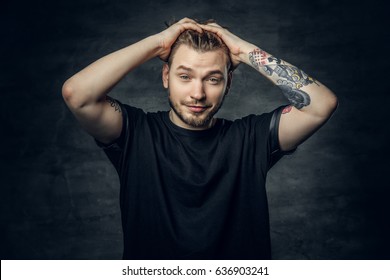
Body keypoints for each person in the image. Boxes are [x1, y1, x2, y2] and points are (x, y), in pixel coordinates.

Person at [62, 18, 337, 259]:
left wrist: (242, 49)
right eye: (185, 76)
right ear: (166, 76)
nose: (198, 93)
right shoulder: (135, 132)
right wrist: (158, 44)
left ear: (228, 84)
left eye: (213, 79)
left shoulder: (251, 138)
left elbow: (321, 104)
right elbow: (78, 94)